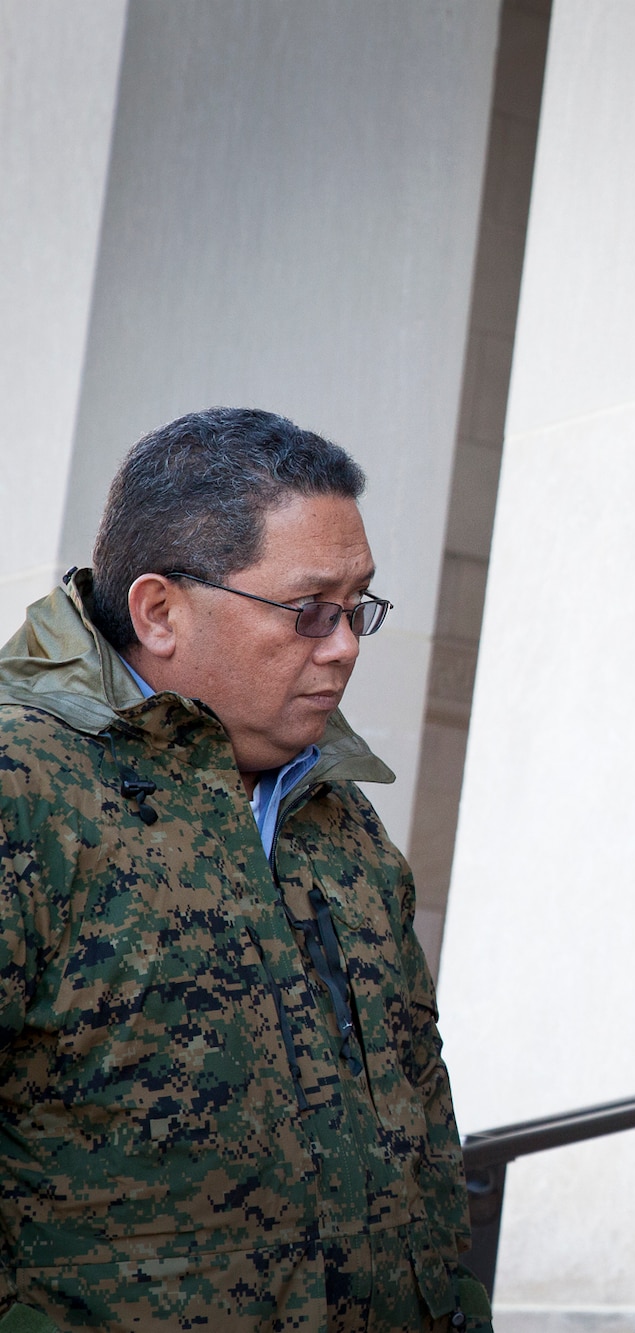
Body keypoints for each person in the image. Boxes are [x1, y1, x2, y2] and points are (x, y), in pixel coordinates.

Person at [0, 409, 485, 1331]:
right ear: (160, 610)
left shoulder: (347, 831)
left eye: (357, 609)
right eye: (309, 610)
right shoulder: (26, 792)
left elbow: (424, 1138)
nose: (342, 645)